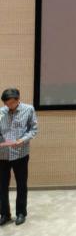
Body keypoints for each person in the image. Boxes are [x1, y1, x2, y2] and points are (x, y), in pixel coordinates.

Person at [0, 88, 38, 226]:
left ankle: (21, 213)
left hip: (20, 153)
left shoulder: (28, 109)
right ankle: (4, 214)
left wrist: (23, 140)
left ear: (17, 99)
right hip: (2, 154)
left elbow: (33, 129)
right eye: (6, 103)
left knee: (21, 184)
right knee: (2, 186)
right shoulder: (1, 112)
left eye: (11, 103)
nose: (9, 106)